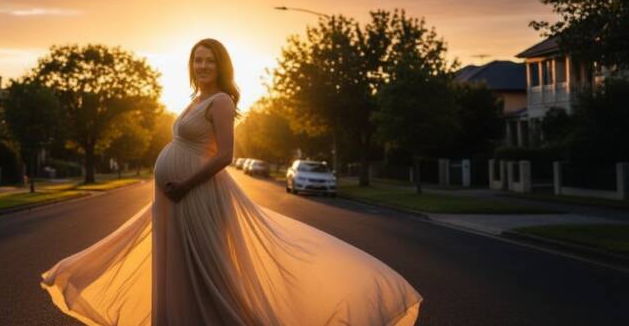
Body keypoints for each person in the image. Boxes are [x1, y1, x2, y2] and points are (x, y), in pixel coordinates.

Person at [40, 38, 422, 326]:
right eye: (197, 60)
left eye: (209, 60)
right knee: (178, 269)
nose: (202, 65)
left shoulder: (220, 100)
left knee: (208, 270)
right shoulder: (194, 98)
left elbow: (225, 155)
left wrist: (186, 183)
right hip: (175, 196)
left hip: (195, 195)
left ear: (221, 66)